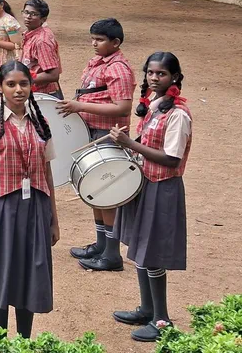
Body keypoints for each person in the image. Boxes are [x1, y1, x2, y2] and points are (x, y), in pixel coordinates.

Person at [0, 61, 59, 339]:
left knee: (29, 272)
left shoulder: (41, 123)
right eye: (11, 84)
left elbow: (47, 171)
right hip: (1, 208)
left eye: (24, 84)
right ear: (0, 87)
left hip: (35, 209)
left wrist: (54, 219)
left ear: (31, 86)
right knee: (1, 271)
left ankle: (24, 340)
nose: (19, 90)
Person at [109, 52, 192, 342]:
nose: (154, 78)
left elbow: (171, 158)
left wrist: (131, 143)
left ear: (175, 78)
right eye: (151, 73)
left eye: (161, 74)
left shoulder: (178, 114)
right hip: (144, 183)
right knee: (143, 248)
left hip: (163, 187)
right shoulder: (155, 106)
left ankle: (162, 319)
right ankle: (147, 309)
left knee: (153, 253)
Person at [56, 17, 135, 272]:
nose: (94, 43)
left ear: (116, 42)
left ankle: (112, 254)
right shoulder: (99, 63)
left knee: (107, 193)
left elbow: (123, 106)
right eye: (93, 38)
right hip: (92, 131)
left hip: (107, 135)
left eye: (100, 40)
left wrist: (79, 106)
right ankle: (101, 244)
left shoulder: (119, 69)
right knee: (94, 191)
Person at [19, 0, 63, 97]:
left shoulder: (42, 41)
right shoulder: (31, 34)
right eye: (26, 12)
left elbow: (53, 75)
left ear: (43, 19)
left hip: (44, 96)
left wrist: (22, 79)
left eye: (33, 14)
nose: (28, 17)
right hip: (35, 92)